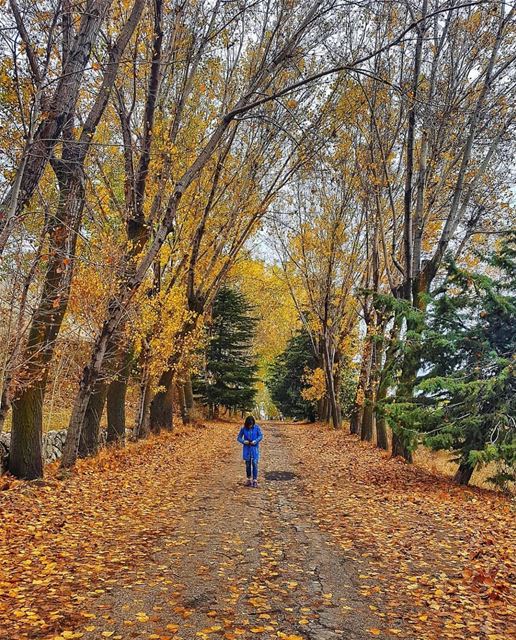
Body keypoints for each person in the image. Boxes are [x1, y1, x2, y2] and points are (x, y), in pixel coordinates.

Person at [237, 415, 263, 487]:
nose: (250, 426)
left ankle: (255, 480)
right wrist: (244, 441)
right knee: (248, 464)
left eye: (251, 425)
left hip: (254, 449)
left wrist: (255, 441)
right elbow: (238, 438)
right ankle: (248, 479)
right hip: (247, 449)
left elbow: (260, 436)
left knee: (255, 463)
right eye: (249, 425)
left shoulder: (257, 428)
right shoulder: (243, 429)